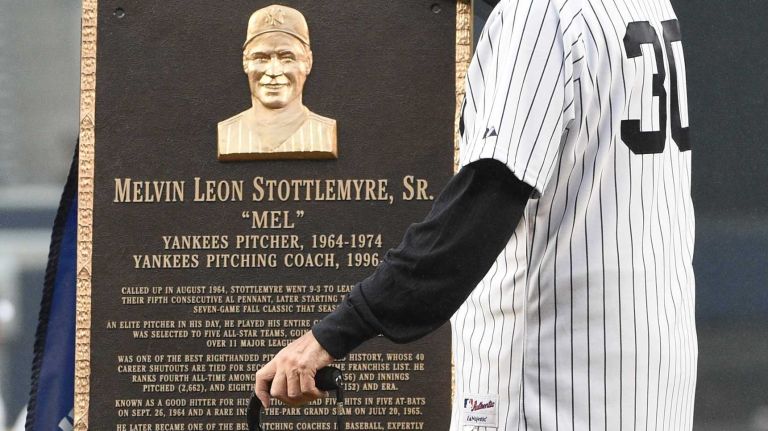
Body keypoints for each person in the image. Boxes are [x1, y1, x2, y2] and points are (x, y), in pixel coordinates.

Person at [255, 0, 697, 429]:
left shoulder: (536, 13)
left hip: (553, 377)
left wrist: (331, 336)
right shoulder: (646, 3)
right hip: (648, 364)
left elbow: (481, 208)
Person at [218, 5, 337, 161]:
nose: (273, 71)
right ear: (245, 62)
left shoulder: (324, 132)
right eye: (261, 58)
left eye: (287, 58)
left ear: (308, 62)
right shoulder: (228, 133)